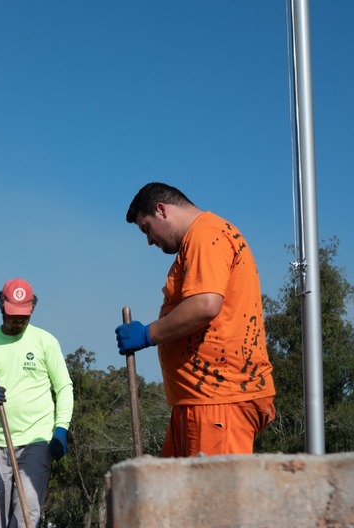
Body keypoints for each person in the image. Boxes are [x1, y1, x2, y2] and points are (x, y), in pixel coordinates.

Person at [115, 182, 276, 457]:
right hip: (198, 400)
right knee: (173, 496)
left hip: (219, 400)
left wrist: (148, 334)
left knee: (212, 498)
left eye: (146, 229)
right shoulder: (201, 237)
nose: (149, 241)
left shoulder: (206, 233)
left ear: (162, 210)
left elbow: (205, 305)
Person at [0, 277, 74, 528]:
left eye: (24, 316)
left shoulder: (45, 341)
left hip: (38, 439)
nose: (18, 322)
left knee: (27, 507)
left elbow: (64, 387)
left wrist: (61, 428)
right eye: (13, 316)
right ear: (1, 306)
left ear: (32, 309)